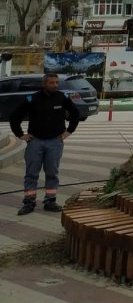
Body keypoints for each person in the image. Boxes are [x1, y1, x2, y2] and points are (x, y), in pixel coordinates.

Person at [9, 73, 80, 215]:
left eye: (57, 83)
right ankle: (29, 202)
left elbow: (75, 114)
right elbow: (15, 117)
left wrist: (68, 132)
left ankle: (50, 201)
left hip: (55, 142)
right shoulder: (33, 99)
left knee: (52, 173)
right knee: (31, 174)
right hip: (35, 142)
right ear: (44, 84)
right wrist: (21, 135)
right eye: (52, 83)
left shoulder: (62, 97)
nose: (55, 85)